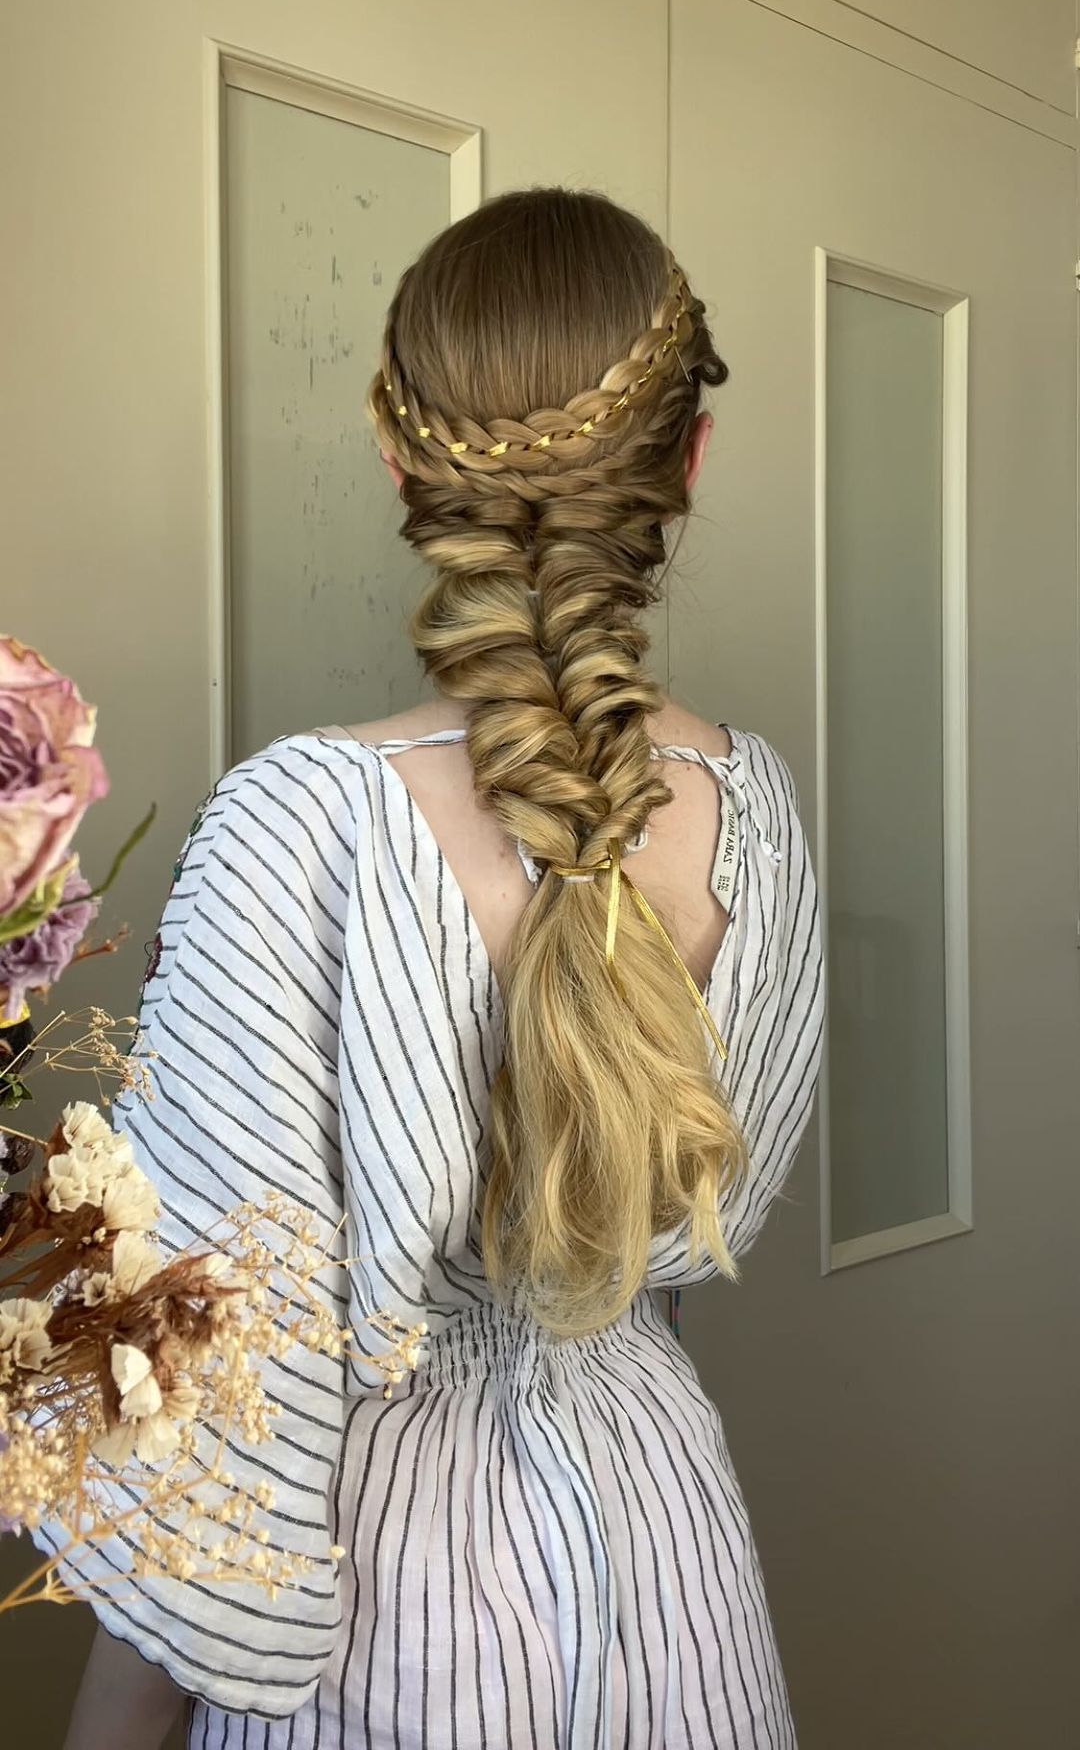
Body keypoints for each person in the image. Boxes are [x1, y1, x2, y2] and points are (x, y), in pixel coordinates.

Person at [57, 189, 824, 1748]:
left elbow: (205, 1428)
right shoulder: (756, 812)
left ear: (397, 457)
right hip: (672, 1558)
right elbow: (680, 1246)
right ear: (686, 462)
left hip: (373, 1602)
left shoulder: (300, 823)